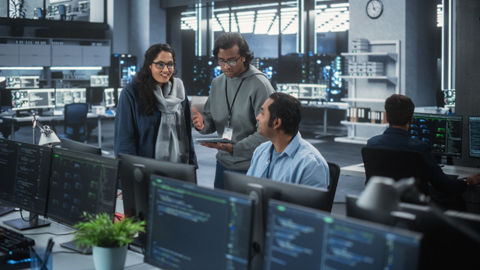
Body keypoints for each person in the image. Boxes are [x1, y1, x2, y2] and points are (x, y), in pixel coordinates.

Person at [367, 94, 480, 208]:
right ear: (411, 119)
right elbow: (446, 186)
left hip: (383, 205)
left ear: (386, 117)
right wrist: (468, 181)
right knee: (456, 200)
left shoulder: (372, 144)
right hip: (416, 209)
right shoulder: (419, 148)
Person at [192, 32, 274, 188]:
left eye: (231, 61)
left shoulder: (260, 84)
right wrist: (202, 125)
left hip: (251, 166)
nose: (225, 66)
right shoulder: (217, 83)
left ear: (243, 57)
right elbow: (210, 120)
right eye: (221, 61)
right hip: (223, 163)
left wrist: (236, 149)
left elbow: (267, 133)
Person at [114, 43, 196, 165]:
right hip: (146, 168)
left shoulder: (179, 92)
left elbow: (187, 135)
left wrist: (192, 166)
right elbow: (124, 140)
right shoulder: (132, 93)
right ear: (149, 66)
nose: (165, 70)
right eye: (160, 64)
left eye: (170, 64)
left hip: (180, 166)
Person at [247, 92, 330, 188]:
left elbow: (309, 203)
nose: (257, 118)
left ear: (276, 123)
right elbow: (248, 191)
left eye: (262, 113)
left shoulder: (311, 164)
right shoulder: (260, 151)